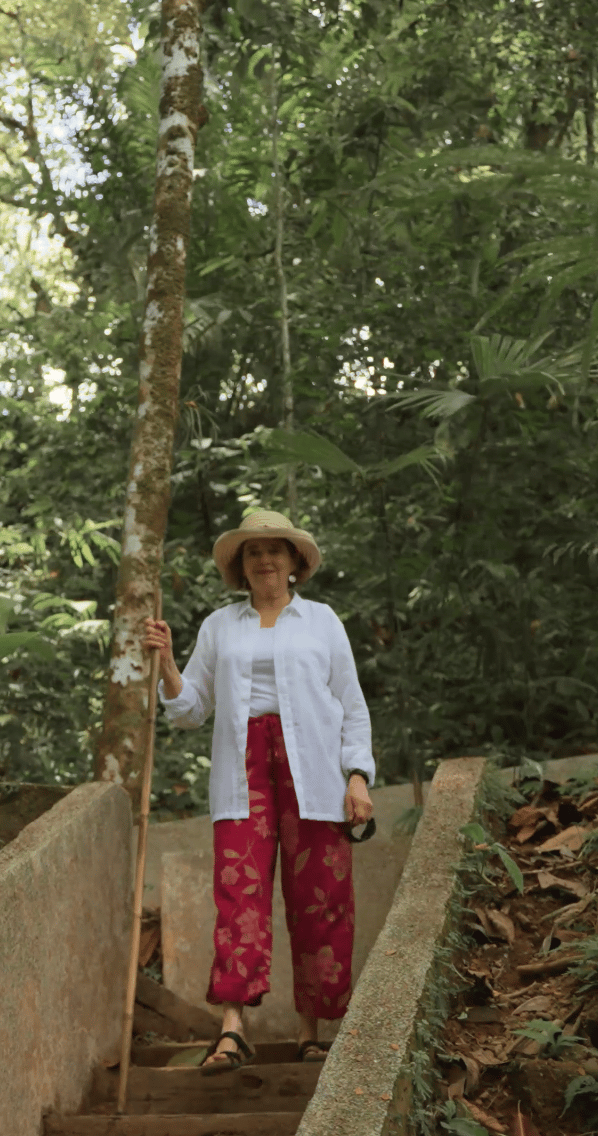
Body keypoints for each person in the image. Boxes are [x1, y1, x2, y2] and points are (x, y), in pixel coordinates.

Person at [143, 509, 375, 1073]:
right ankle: (232, 1028)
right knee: (238, 896)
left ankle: (311, 1030)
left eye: (276, 549)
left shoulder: (322, 621)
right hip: (241, 773)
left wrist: (358, 776)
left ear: (295, 562)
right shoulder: (220, 627)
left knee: (320, 899)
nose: (265, 559)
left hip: (315, 772)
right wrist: (169, 663)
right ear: (240, 567)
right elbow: (191, 709)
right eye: (253, 552)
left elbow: (351, 705)